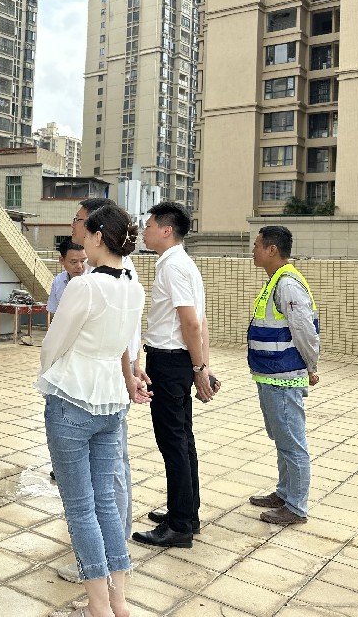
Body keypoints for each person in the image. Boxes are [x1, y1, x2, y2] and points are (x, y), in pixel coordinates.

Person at [40, 203, 145, 617]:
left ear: (100, 236)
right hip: (112, 401)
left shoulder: (84, 285)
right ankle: (118, 603)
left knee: (82, 508)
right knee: (106, 505)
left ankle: (98, 607)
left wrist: (49, 371)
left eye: (86, 228)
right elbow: (127, 345)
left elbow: (54, 342)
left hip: (72, 396)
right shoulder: (134, 286)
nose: (80, 232)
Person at [132, 201, 218, 549]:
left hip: (170, 362)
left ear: (166, 230)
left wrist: (200, 369)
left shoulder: (174, 267)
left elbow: (192, 322)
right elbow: (200, 321)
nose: (145, 229)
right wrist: (203, 365)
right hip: (177, 361)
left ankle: (180, 524)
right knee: (182, 439)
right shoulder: (182, 263)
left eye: (149, 224)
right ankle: (185, 511)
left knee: (173, 443)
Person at [247, 225, 319, 525]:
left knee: (292, 441)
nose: (253, 250)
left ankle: (296, 506)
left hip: (284, 377)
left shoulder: (287, 284)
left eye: (257, 244)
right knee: (281, 437)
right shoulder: (276, 280)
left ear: (272, 249)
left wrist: (311, 367)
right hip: (271, 376)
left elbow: (305, 330)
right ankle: (284, 492)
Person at [47, 240, 87, 317]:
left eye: (83, 261)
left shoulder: (94, 280)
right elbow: (53, 311)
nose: (79, 266)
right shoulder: (58, 281)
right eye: (74, 262)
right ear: (61, 260)